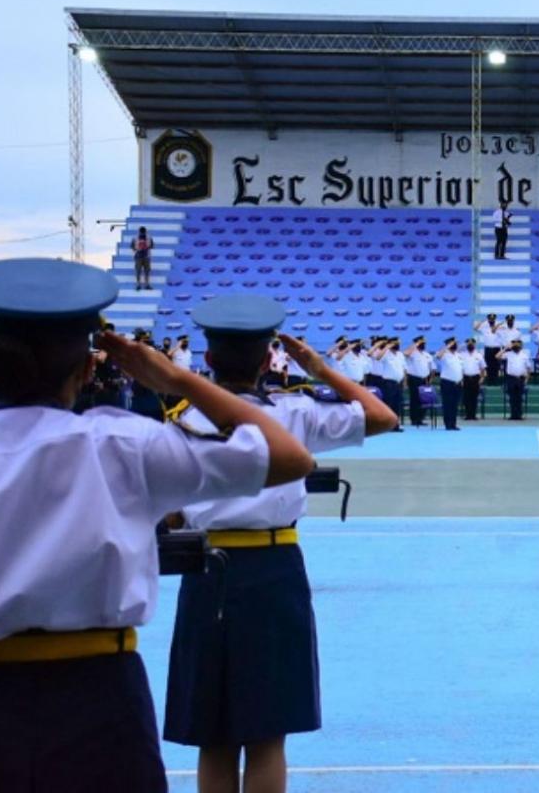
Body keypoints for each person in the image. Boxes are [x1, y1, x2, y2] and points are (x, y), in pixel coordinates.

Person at [0, 258, 313, 792]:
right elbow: (288, 456)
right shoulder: (124, 444)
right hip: (100, 696)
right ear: (88, 370)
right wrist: (175, 378)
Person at [163, 296, 396, 793]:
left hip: (206, 570)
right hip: (275, 567)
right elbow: (382, 416)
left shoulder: (183, 420)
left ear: (208, 359)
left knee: (214, 735)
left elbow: (167, 512)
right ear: (269, 360)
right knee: (268, 733)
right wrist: (320, 368)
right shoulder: (295, 412)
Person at [402, 336, 433, 426]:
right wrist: (415, 344)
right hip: (414, 378)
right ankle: (414, 419)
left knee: (423, 399)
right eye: (421, 343)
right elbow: (406, 353)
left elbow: (429, 368)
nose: (423, 345)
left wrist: (428, 379)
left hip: (424, 379)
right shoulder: (413, 353)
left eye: (424, 343)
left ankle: (420, 418)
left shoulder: (426, 354)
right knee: (415, 399)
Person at [434, 338, 463, 431]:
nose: (455, 345)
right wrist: (447, 347)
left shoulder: (458, 355)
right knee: (447, 404)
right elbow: (438, 356)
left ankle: (453, 424)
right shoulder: (444, 354)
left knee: (455, 404)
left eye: (455, 343)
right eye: (453, 343)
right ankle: (448, 424)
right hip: (447, 382)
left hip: (457, 383)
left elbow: (460, 368)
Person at [498, 338, 531, 420]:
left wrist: (527, 379)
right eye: (514, 344)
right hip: (511, 378)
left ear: (521, 346)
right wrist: (506, 348)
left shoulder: (525, 355)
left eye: (518, 344)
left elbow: (529, 368)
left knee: (519, 398)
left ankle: (519, 415)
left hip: (521, 378)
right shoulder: (508, 354)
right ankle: (513, 415)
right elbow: (497, 356)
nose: (516, 346)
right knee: (512, 398)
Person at [459, 338, 486, 421]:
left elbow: (483, 368)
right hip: (465, 378)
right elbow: (459, 368)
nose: (470, 345)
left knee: (474, 397)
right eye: (469, 343)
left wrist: (482, 378)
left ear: (475, 344)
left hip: (475, 378)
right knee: (466, 397)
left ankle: (473, 415)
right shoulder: (461, 355)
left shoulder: (479, 355)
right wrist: (461, 379)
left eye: (472, 343)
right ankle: (468, 415)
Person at [475, 315, 502, 386]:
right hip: (488, 348)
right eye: (490, 319)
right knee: (488, 365)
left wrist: (498, 326)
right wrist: (481, 321)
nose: (491, 321)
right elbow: (475, 328)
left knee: (496, 366)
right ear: (488, 320)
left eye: (493, 319)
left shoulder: (499, 328)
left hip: (496, 348)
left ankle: (496, 382)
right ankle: (489, 382)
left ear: (495, 320)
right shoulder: (484, 328)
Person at [131, 226, 155, 291]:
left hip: (146, 256)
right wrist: (138, 248)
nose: (142, 233)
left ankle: (147, 284)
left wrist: (146, 246)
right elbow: (132, 247)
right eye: (141, 232)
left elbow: (152, 246)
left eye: (143, 232)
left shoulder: (149, 238)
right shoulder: (135, 238)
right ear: (139, 232)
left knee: (147, 271)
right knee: (138, 270)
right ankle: (138, 284)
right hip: (138, 256)